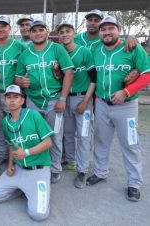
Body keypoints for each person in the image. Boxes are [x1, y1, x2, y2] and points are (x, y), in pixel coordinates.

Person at [86, 16, 150, 201]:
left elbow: (146, 75)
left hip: (126, 106)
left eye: (111, 28)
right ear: (99, 32)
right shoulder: (96, 50)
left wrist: (126, 92)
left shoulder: (132, 48)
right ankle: (100, 172)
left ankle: (134, 183)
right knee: (100, 140)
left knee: (130, 144)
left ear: (119, 30)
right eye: (103, 29)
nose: (107, 32)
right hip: (103, 104)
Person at [15, 20, 74, 184]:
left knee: (55, 135)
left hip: (54, 100)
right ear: (30, 34)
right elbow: (18, 76)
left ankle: (55, 168)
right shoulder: (25, 54)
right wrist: (21, 82)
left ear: (47, 32)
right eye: (34, 31)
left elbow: (69, 73)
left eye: (41, 30)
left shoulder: (57, 48)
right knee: (34, 136)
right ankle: (38, 164)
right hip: (33, 101)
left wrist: (62, 98)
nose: (38, 33)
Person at [0, 85, 53, 221]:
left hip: (38, 169)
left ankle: (35, 191)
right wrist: (10, 165)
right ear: (5, 100)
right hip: (18, 169)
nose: (12, 101)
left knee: (38, 215)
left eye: (16, 97)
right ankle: (24, 189)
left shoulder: (33, 115)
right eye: (8, 97)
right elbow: (12, 146)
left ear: (22, 100)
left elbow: (48, 143)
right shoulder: (5, 121)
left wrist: (27, 152)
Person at [57, 21, 96, 188]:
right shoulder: (58, 53)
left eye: (68, 31)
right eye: (61, 32)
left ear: (74, 34)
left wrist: (86, 100)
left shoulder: (84, 51)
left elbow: (94, 79)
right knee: (67, 133)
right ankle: (71, 161)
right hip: (65, 98)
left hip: (82, 99)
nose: (65, 34)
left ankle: (82, 170)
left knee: (84, 135)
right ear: (58, 36)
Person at [0, 15, 27, 165]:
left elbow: (29, 60)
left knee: (15, 124)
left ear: (10, 29)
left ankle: (17, 153)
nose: (0, 29)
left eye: (4, 26)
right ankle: (1, 153)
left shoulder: (19, 46)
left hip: (13, 94)